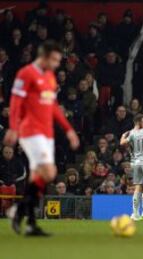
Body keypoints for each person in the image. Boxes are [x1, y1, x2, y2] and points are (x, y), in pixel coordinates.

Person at [4, 40, 80, 236]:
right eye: (54, 59)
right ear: (44, 56)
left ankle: (28, 221)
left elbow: (53, 107)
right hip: (31, 131)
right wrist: (13, 127)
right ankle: (18, 211)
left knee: (39, 177)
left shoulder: (50, 77)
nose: (56, 64)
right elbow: (15, 101)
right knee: (49, 172)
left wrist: (69, 129)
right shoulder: (26, 73)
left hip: (47, 134)